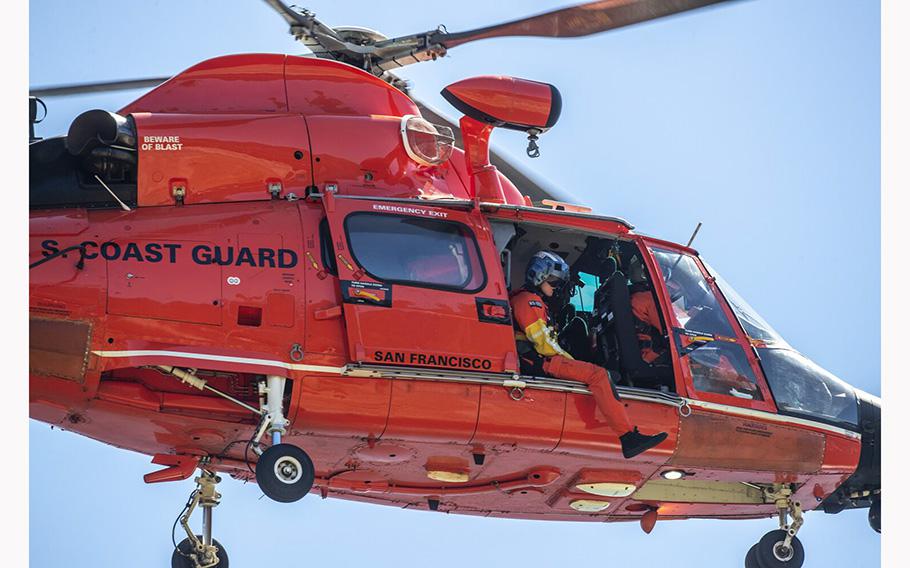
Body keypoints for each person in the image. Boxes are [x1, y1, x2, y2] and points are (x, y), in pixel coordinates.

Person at [510, 251, 668, 459]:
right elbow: (544, 344)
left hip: (539, 359)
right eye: (554, 282)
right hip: (540, 361)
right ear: (538, 276)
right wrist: (573, 364)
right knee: (598, 375)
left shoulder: (530, 300)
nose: (557, 288)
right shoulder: (529, 301)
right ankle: (628, 437)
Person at [628, 257, 668, 364]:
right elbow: (671, 330)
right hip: (650, 358)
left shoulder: (630, 296)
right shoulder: (649, 298)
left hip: (635, 357)